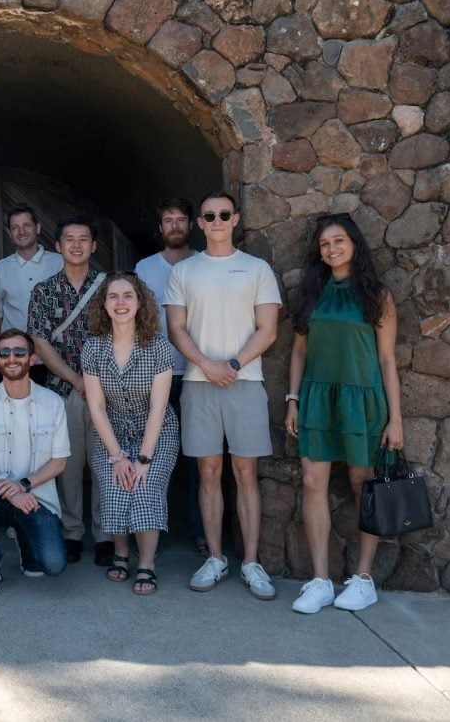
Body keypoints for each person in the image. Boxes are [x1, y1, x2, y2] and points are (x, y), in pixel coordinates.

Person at [285, 214, 405, 614]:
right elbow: (298, 351)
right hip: (317, 398)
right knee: (312, 481)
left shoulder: (377, 295)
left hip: (362, 400)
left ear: (354, 244)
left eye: (339, 241)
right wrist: (292, 399)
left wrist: (395, 419)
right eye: (324, 244)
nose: (332, 248)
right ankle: (320, 581)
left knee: (363, 485)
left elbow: (387, 359)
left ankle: (363, 578)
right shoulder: (311, 294)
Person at [165, 192, 281, 600]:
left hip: (244, 381)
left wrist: (231, 365)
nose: (217, 221)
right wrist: (206, 364)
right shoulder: (184, 271)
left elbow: (268, 328)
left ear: (235, 219)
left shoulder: (257, 268)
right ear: (199, 222)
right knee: (209, 473)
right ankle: (216, 558)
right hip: (199, 383)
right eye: (209, 215)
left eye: (223, 214)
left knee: (246, 473)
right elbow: (176, 328)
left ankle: (250, 562)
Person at [83, 274, 180, 596]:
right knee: (115, 486)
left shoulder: (158, 346)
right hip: (111, 432)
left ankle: (147, 563)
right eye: (113, 296)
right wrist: (117, 456)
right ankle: (122, 553)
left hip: (156, 432)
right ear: (104, 304)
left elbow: (158, 407)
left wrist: (142, 459)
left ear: (140, 303)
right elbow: (96, 407)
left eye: (128, 296)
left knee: (144, 487)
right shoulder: (93, 347)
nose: (121, 302)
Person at [26, 216, 111, 567]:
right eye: (69, 239)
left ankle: (106, 534)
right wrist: (76, 380)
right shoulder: (43, 291)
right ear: (58, 246)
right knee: (69, 465)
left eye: (83, 239)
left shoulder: (110, 288)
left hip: (107, 390)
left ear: (94, 246)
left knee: (105, 462)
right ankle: (73, 531)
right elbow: (40, 342)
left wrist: (96, 380)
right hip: (63, 390)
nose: (76, 245)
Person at [0, 330, 70, 599]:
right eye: (4, 353)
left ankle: (25, 540)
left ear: (32, 359)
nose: (12, 358)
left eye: (19, 352)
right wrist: (12, 493)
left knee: (54, 565)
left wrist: (23, 486)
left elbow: (60, 461)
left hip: (36, 498)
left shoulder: (53, 403)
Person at [134, 198, 207, 556]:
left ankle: (200, 531)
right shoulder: (145, 268)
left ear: (191, 225)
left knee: (199, 458)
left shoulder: (205, 263)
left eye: (181, 220)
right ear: (160, 227)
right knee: (153, 455)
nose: (175, 226)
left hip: (197, 373)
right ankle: (151, 529)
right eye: (168, 220)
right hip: (156, 375)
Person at [0, 204, 63, 332]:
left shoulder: (60, 264)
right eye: (15, 227)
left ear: (37, 228)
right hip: (13, 344)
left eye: (27, 225)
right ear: (10, 233)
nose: (21, 231)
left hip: (55, 343)